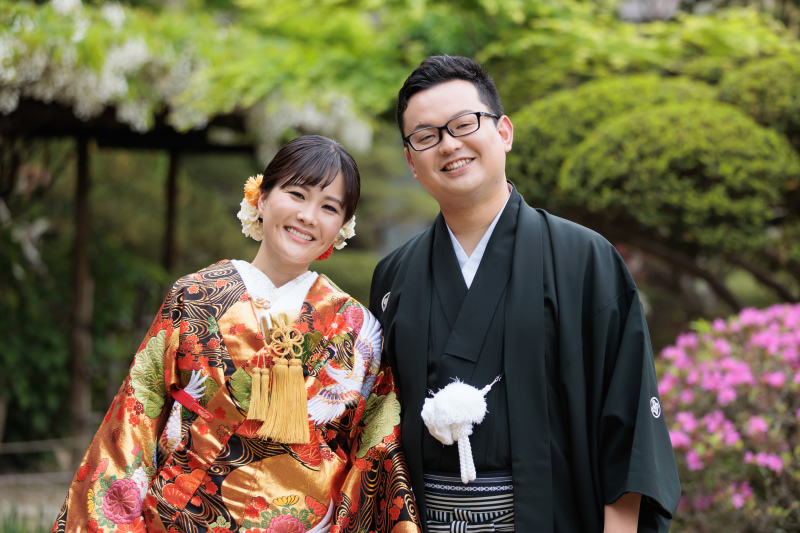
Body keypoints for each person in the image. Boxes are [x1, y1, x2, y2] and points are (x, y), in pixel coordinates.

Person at [369, 56, 681, 532]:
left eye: (464, 124)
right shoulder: (394, 276)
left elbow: (628, 424)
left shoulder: (584, 259)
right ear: (412, 161)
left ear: (504, 132)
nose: (449, 144)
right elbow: (378, 430)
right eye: (426, 136)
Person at [54, 135, 420, 533]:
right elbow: (136, 414)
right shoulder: (194, 295)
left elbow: (375, 451)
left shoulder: (357, 326)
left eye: (329, 207)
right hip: (182, 518)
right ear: (261, 198)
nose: (309, 216)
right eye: (296, 194)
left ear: (341, 227)